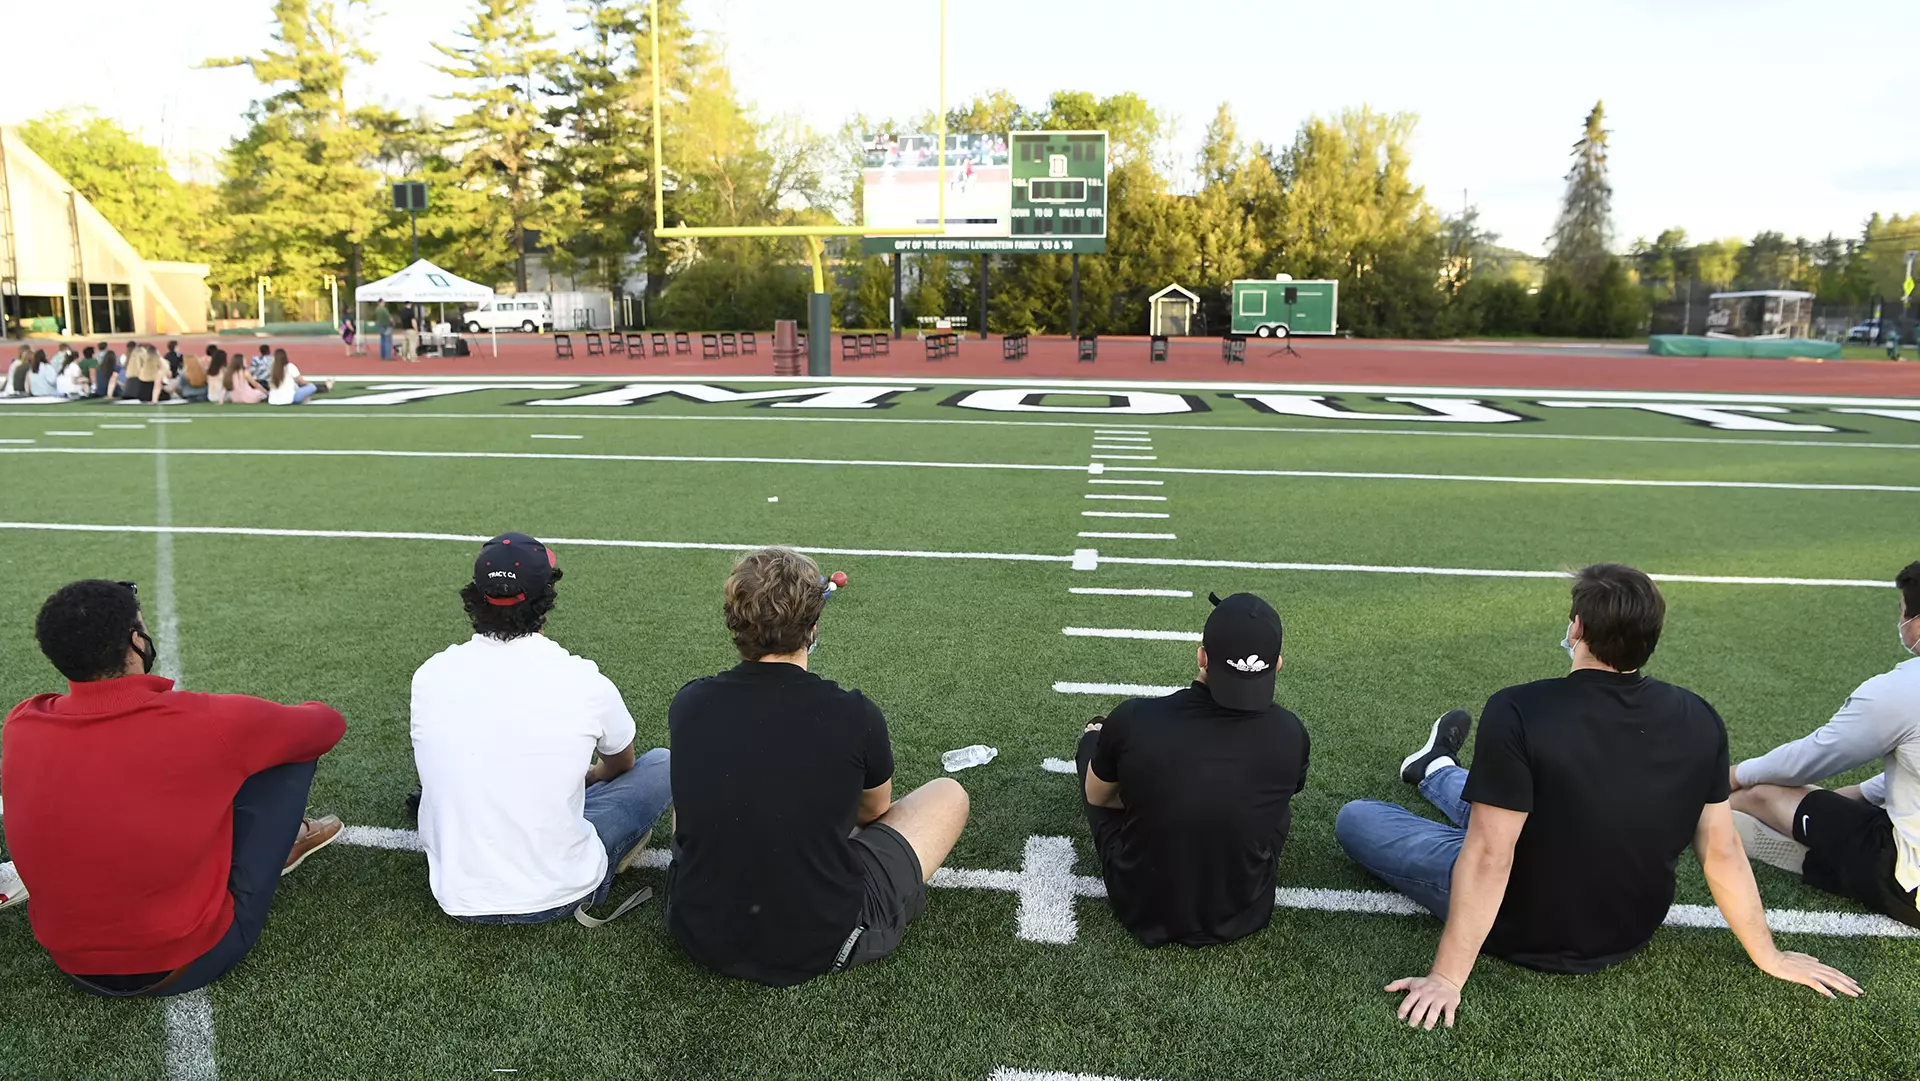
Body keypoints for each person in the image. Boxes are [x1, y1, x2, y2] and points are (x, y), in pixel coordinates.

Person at [1334, 563, 1859, 1029]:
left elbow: (1491, 856)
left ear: (1577, 627)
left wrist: (1447, 977)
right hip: (1629, 928)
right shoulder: (1698, 716)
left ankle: (1438, 771)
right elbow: (1720, 849)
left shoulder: (1518, 709)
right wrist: (1767, 953)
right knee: (1512, 800)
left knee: (1360, 817)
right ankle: (1437, 769)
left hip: (1519, 921)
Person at [1, 580, 346, 996]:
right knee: (290, 752)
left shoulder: (22, 723)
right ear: (135, 643)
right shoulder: (205, 720)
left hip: (71, 964)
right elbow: (326, 725)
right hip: (189, 960)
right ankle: (273, 847)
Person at [666, 547, 970, 986]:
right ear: (813, 627)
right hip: (822, 938)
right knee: (948, 794)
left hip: (698, 930)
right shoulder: (856, 715)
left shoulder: (690, 702)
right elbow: (872, 813)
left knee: (690, 788)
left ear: (735, 622)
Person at [410, 533, 672, 926]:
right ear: (546, 598)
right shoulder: (583, 679)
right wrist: (590, 776)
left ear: (477, 597)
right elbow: (620, 764)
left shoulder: (429, 675)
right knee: (663, 764)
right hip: (561, 891)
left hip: (456, 895)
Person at [1075, 591, 1310, 947]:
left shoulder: (1135, 718)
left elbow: (1100, 798)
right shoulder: (1292, 732)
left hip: (1143, 906)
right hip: (1244, 909)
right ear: (1276, 664)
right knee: (1271, 800)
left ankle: (1097, 740)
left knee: (1092, 747)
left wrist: (1162, 795)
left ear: (1202, 656)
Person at [1727, 560, 1920, 929]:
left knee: (1762, 793)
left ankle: (1695, 819)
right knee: (1831, 802)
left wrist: (1737, 774)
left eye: (1903, 612)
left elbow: (1814, 757)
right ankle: (1820, 846)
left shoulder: (1902, 690)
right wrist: (1864, 791)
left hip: (1909, 886)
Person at [266, 348, 332, 405]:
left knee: (297, 386)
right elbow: (302, 381)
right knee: (312, 387)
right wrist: (310, 385)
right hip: (289, 399)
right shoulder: (290, 366)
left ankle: (305, 397)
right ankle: (306, 397)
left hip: (273, 400)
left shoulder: (272, 368)